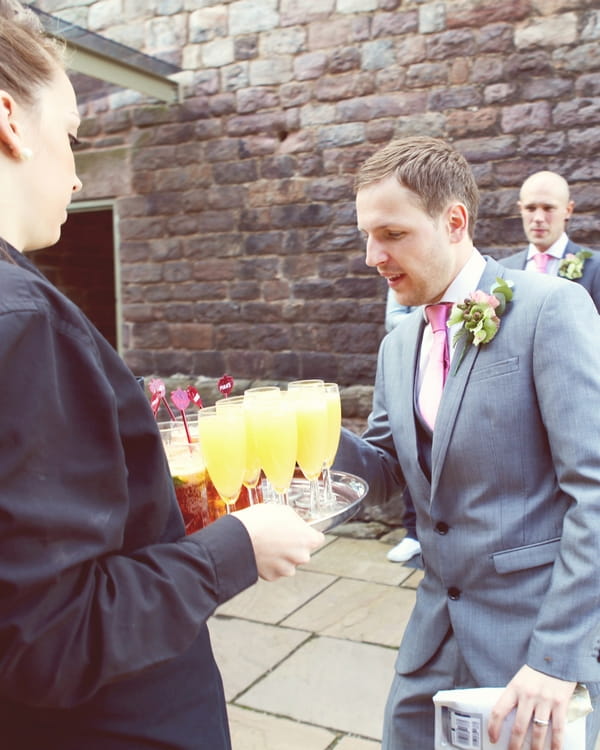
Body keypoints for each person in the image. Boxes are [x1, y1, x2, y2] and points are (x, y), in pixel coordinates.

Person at [0, 3, 324, 748]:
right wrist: (236, 546)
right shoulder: (20, 318)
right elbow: (49, 637)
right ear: (11, 122)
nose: (79, 176)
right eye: (72, 139)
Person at [333, 135, 600, 750]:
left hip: (534, 646)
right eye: (366, 236)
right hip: (433, 633)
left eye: (392, 234)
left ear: (455, 221)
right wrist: (313, 441)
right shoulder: (397, 342)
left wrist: (557, 660)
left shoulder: (551, 309)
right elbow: (387, 466)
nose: (373, 255)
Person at [502, 170, 600, 310]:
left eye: (548, 208)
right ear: (520, 209)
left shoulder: (596, 268)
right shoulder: (504, 270)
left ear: (568, 210)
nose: (538, 218)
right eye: (530, 208)